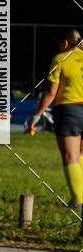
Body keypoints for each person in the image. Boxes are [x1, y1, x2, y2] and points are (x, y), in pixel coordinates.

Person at [30, 29, 83, 214]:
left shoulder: (60, 59)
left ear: (67, 42)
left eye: (60, 42)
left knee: (70, 157)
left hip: (69, 110)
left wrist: (36, 116)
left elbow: (51, 92)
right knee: (81, 155)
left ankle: (78, 202)